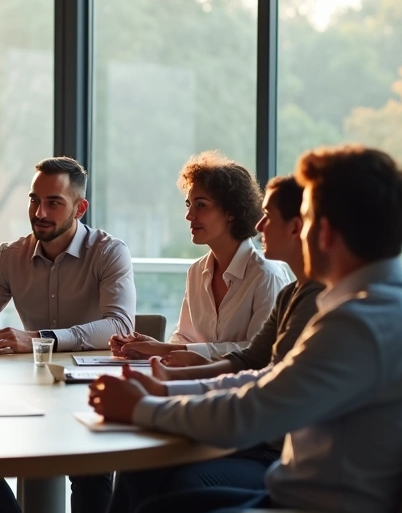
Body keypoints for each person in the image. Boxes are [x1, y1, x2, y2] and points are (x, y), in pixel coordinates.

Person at [82, 145, 402, 513]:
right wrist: (167, 391)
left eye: (308, 218)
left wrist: (142, 409)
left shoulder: (360, 324)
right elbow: (267, 379)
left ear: (325, 232)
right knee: (152, 512)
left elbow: (249, 415)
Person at [101, 175, 323, 513]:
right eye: (189, 205)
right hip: (259, 437)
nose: (260, 226)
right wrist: (167, 376)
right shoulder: (292, 294)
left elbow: (264, 389)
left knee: (166, 482)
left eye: (200, 205)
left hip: (274, 453)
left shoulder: (307, 295)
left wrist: (158, 398)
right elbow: (247, 362)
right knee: (138, 469)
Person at [0, 156, 136, 513]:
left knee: (91, 469)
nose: (40, 213)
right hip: (28, 393)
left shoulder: (109, 252)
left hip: (89, 393)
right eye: (34, 200)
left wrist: (38, 338)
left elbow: (119, 325)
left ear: (79, 208)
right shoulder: (11, 256)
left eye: (54, 203)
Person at [113, 151, 291, 362]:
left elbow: (259, 353)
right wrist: (149, 348)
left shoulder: (266, 276)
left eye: (201, 205)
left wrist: (163, 349)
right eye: (189, 205)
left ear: (231, 211)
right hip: (196, 378)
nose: (189, 216)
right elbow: (184, 338)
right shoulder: (197, 271)